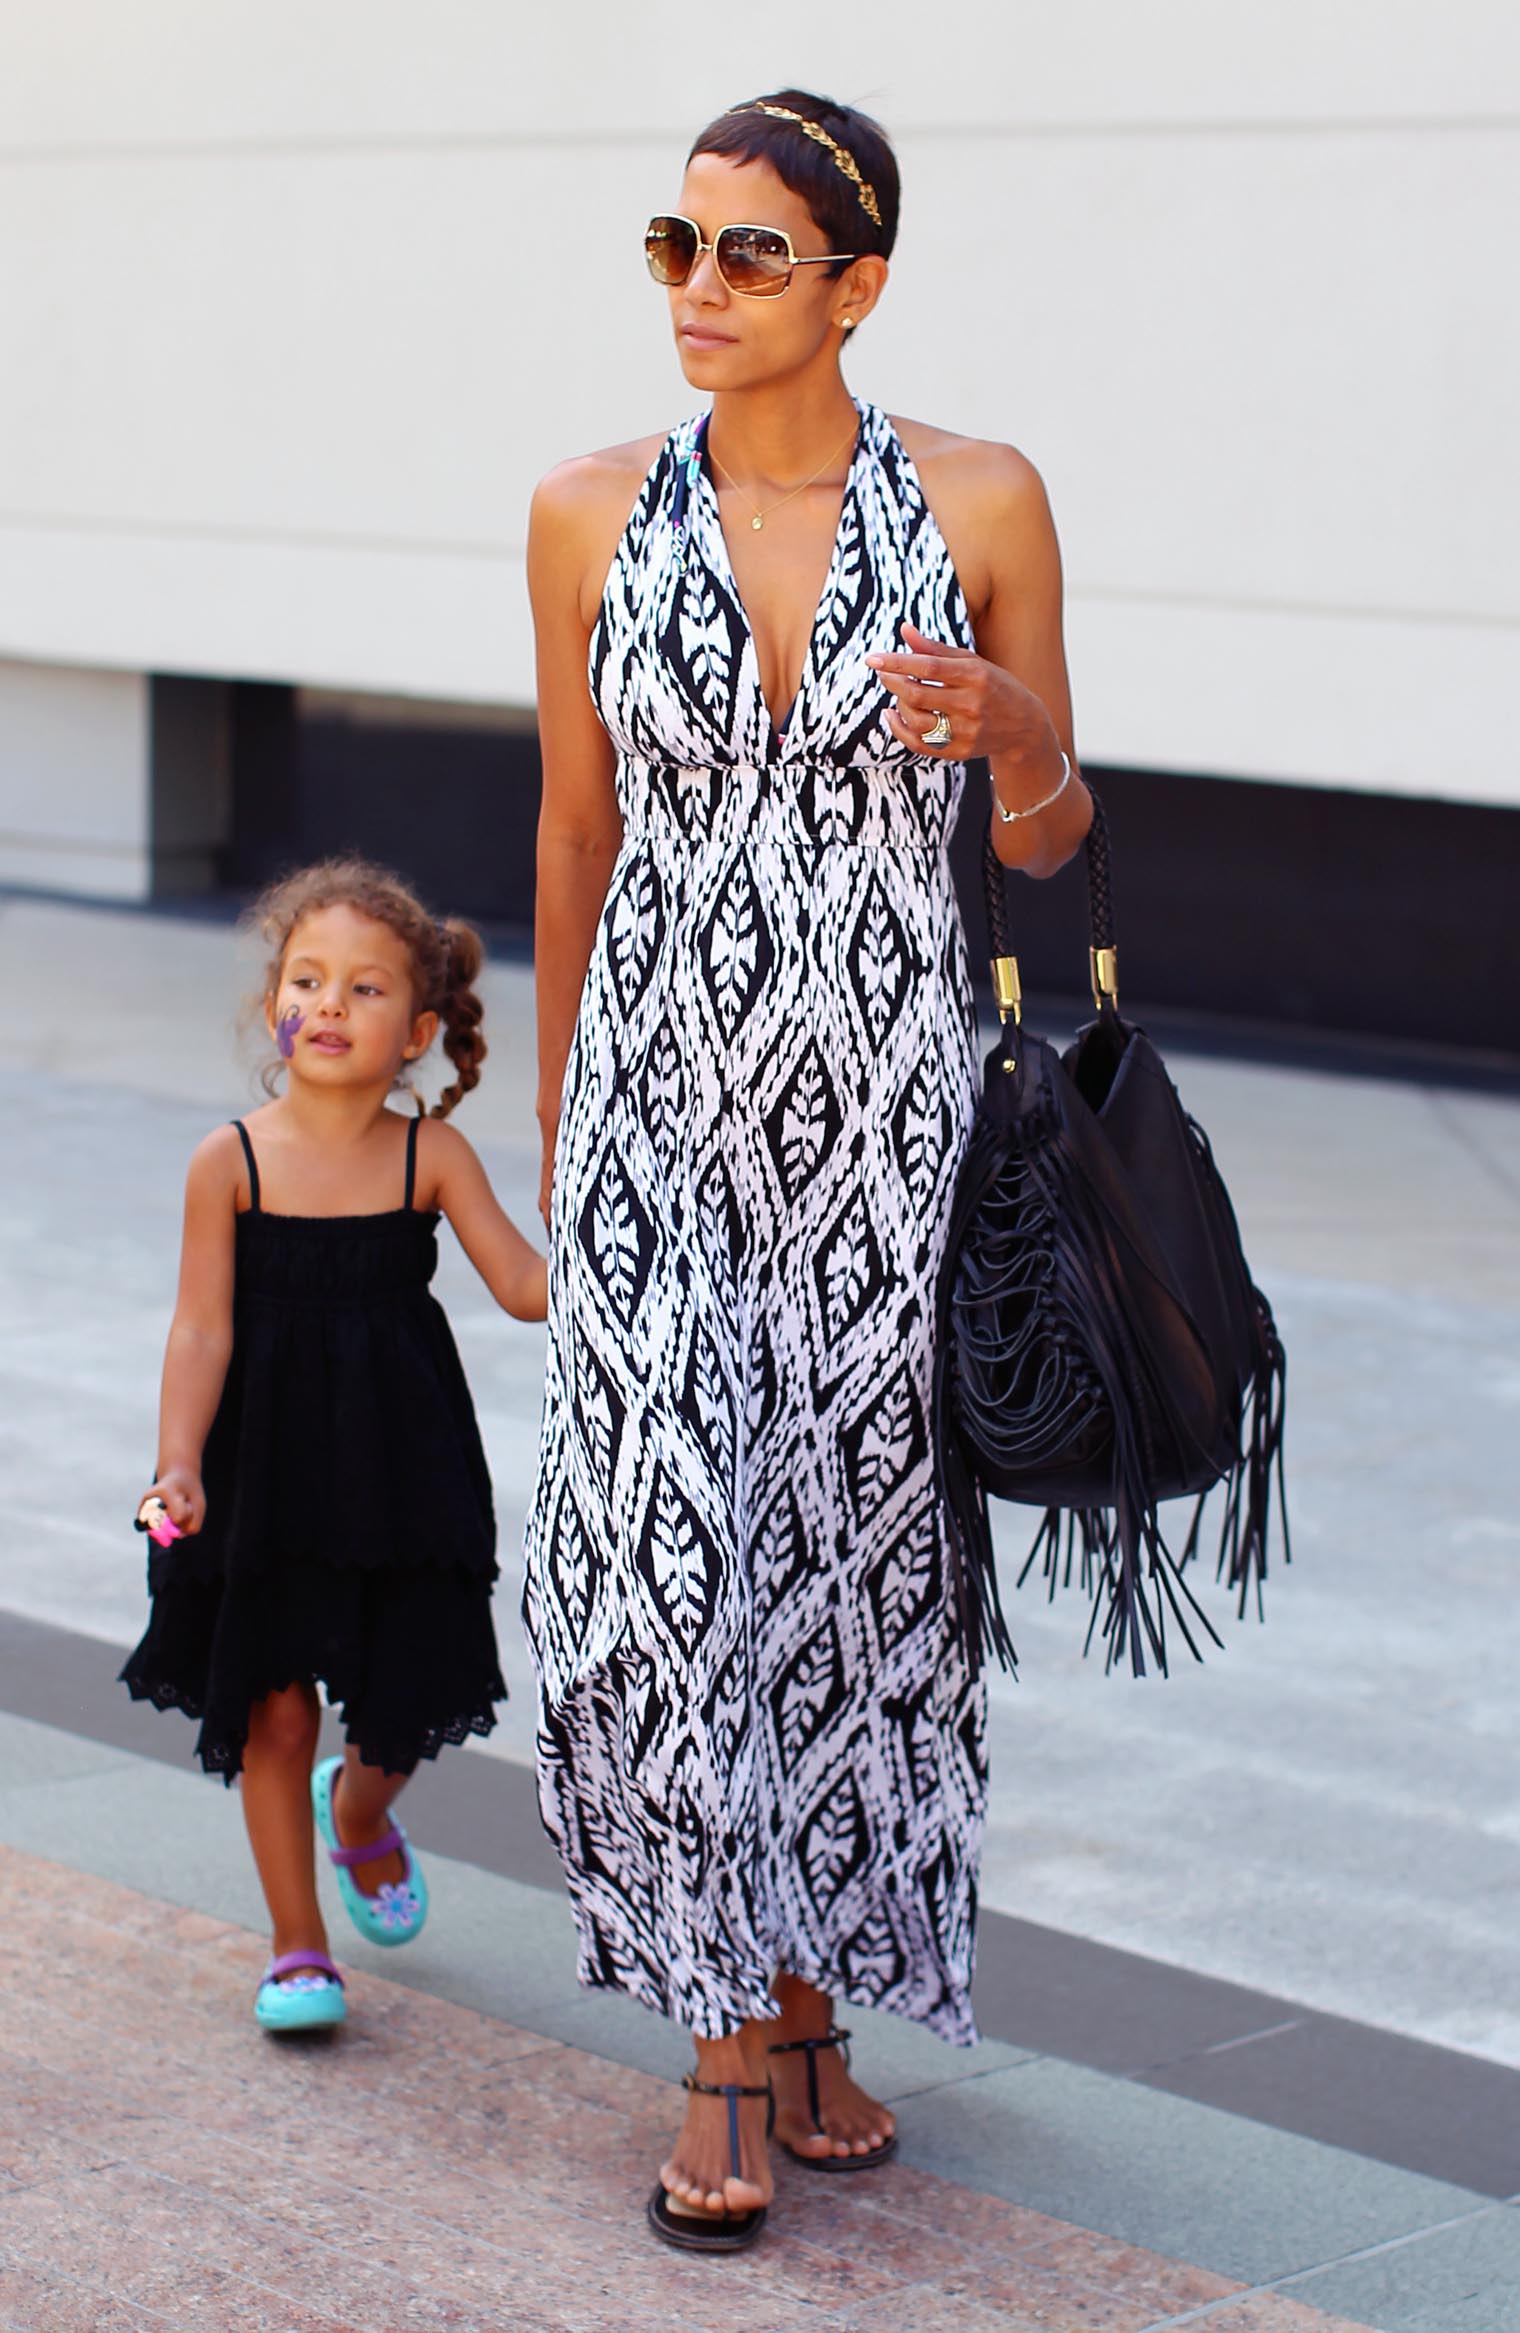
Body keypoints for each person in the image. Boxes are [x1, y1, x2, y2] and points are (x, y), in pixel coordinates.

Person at [524, 90, 1090, 2250]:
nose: (698, 286)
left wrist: (1018, 735)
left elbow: (1053, 833)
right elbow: (575, 832)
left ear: (857, 286)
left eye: (751, 252)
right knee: (651, 1572)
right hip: (655, 1115)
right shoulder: (588, 510)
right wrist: (563, 1132)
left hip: (882, 1127)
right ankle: (713, 2033)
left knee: (854, 1571)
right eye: (675, 242)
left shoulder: (983, 497)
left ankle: (810, 1999)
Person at [121, 858, 547, 2032]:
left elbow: (524, 1286)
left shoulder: (431, 1157)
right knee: (273, 1706)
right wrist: (177, 1461)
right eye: (307, 979)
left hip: (400, 1467)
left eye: (365, 988)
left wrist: (624, 1239)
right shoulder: (230, 1159)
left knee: (404, 1699)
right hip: (260, 1469)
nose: (328, 1004)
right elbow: (200, 1325)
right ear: (275, 1006)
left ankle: (357, 1813)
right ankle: (297, 1943)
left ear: (415, 1032)